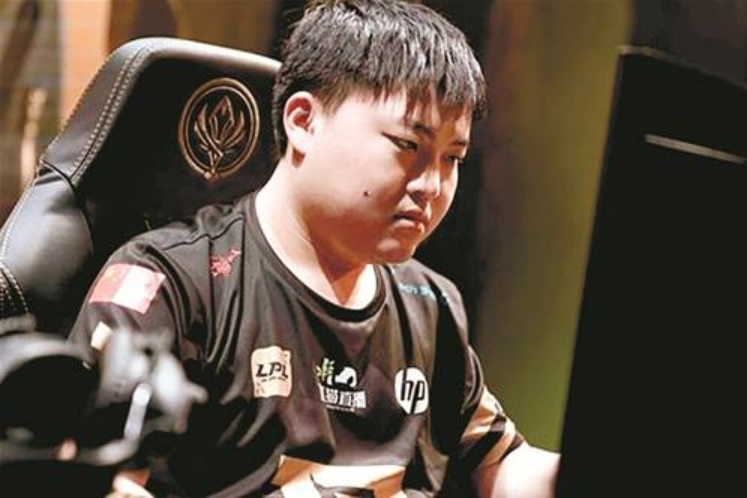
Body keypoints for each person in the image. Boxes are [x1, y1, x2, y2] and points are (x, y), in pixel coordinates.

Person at [69, 0, 560, 496]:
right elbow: (102, 482)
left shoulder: (431, 305)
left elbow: (503, 465)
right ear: (304, 121)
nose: (431, 185)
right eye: (408, 145)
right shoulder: (170, 284)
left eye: (452, 158)